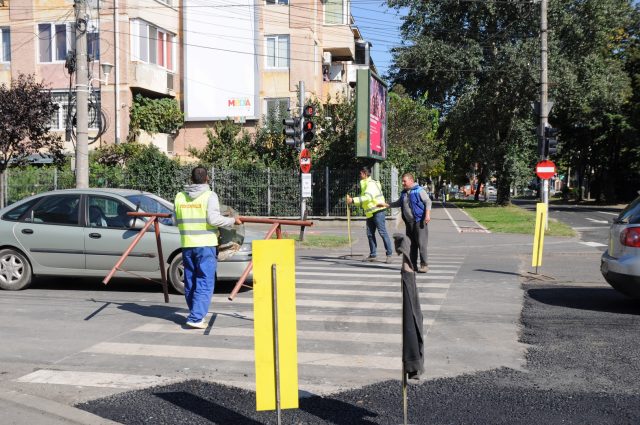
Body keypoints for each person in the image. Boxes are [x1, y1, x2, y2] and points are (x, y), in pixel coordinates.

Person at [175, 166, 242, 329]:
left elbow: (175, 220)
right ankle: (196, 318)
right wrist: (233, 221)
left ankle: (194, 313)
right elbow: (213, 219)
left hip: (187, 244)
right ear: (207, 179)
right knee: (205, 280)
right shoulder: (209, 196)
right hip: (205, 245)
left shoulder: (180, 196)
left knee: (190, 280)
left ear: (191, 179)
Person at [380, 172, 432, 273]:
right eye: (402, 181)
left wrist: (427, 215)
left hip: (419, 221)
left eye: (404, 181)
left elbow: (428, 202)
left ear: (411, 181)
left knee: (421, 244)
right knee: (411, 245)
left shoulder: (419, 190)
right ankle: (412, 265)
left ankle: (424, 265)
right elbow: (399, 203)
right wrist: (386, 205)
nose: (403, 183)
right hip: (409, 223)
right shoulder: (404, 193)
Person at [346, 167, 393, 263]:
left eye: (360, 173)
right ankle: (373, 255)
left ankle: (389, 255)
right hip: (370, 213)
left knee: (382, 232)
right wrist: (353, 201)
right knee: (370, 234)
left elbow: (367, 197)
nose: (359, 175)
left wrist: (353, 200)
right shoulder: (365, 184)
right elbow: (364, 201)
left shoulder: (371, 184)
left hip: (378, 211)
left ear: (364, 173)